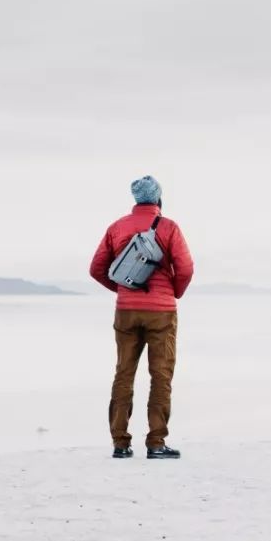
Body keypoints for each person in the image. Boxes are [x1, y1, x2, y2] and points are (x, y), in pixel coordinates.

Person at [89, 175, 194, 459]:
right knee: (160, 375)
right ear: (158, 197)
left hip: (126, 311)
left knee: (123, 373)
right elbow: (185, 268)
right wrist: (173, 292)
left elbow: (97, 269)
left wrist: (124, 288)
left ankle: (120, 444)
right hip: (161, 313)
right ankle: (156, 443)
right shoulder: (169, 227)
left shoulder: (117, 227)